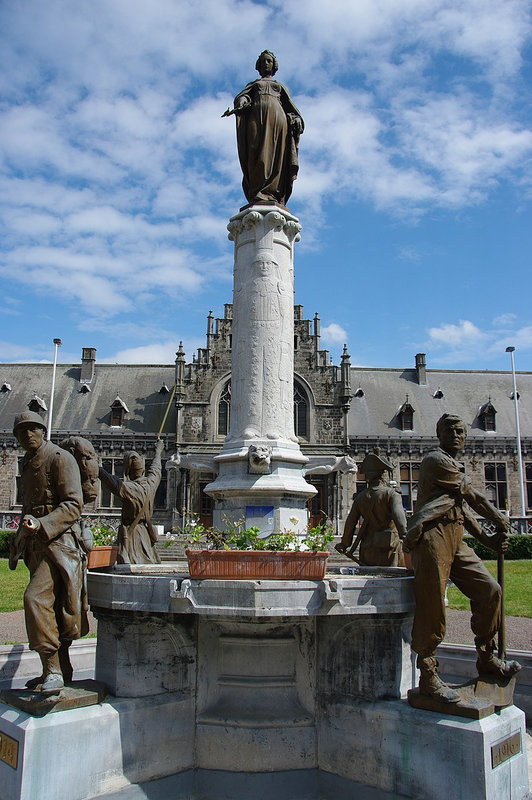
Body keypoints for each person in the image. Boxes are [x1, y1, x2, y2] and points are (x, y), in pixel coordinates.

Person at [403, 413, 520, 703]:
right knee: (433, 607)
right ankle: (428, 676)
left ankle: (486, 657)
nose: (455, 435)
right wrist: (498, 517)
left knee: (490, 591)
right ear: (438, 434)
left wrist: (488, 539)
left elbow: (463, 511)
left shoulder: (454, 464)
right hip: (433, 538)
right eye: (449, 430)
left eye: (460, 431)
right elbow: (470, 495)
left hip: (455, 538)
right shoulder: (435, 460)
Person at [9, 412, 88, 694]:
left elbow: (73, 505)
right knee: (54, 608)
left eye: (32, 429)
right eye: (21, 431)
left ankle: (53, 668)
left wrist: (42, 524)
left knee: (35, 598)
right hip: (37, 545)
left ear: (43, 431)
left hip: (59, 543)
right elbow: (27, 507)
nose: (27, 435)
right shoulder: (28, 464)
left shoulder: (59, 458)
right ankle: (58, 670)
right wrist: (18, 543)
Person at [226, 50, 304, 206]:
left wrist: (296, 120)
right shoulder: (254, 85)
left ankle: (273, 192)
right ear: (258, 66)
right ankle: (257, 191)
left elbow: (293, 110)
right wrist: (242, 101)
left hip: (278, 123)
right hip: (256, 119)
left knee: (276, 156)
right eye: (263, 61)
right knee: (256, 152)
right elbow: (242, 97)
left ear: (274, 65)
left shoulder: (279, 87)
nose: (265, 63)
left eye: (268, 61)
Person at [335, 452, 407, 566]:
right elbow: (400, 520)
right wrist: (406, 537)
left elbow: (351, 522)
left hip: (367, 549)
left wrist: (344, 544)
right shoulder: (391, 494)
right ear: (383, 475)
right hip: (389, 548)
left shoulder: (360, 497)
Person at [99, 439, 164, 565]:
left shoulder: (129, 488)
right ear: (143, 469)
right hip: (146, 534)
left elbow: (111, 481)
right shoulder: (151, 484)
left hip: (131, 535)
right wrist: (158, 451)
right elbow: (156, 468)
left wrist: (98, 469)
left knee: (130, 566)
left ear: (128, 471)